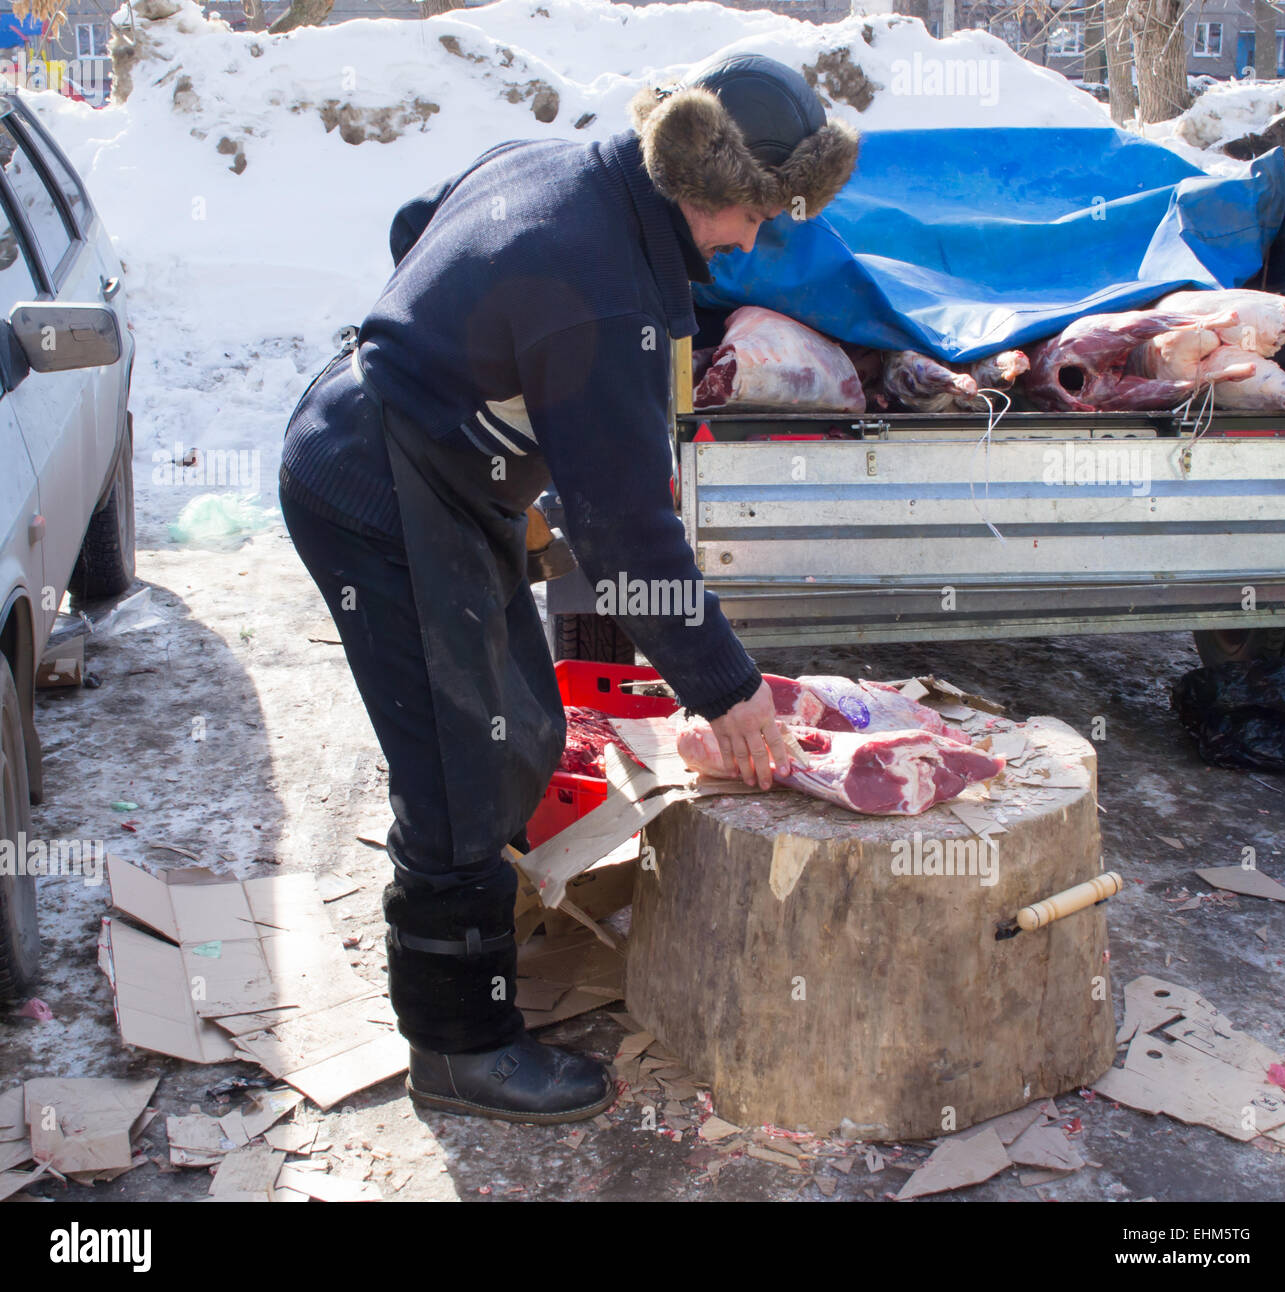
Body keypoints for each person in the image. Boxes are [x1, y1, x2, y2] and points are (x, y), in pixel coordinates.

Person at [278, 52, 859, 1124]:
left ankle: (465, 964)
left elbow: (421, 222)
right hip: (380, 489)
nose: (755, 238)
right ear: (704, 178)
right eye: (758, 212)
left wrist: (473, 359)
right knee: (470, 762)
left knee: (515, 725)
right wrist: (727, 687)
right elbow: (628, 537)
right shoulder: (599, 288)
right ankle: (460, 1047)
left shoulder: (565, 165)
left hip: (416, 457)